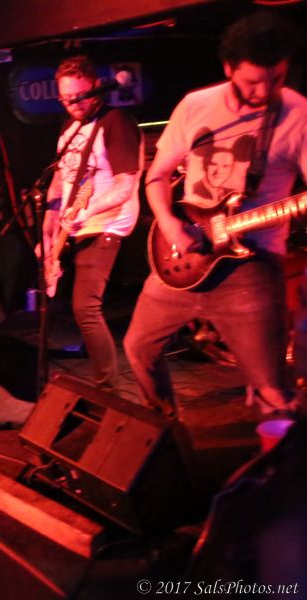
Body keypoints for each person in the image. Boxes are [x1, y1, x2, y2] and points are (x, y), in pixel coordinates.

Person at [123, 11, 306, 417]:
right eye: (252, 81)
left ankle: (282, 452)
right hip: (182, 257)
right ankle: (166, 436)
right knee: (137, 348)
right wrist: (170, 224)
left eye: (276, 79)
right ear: (229, 68)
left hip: (251, 266)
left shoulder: (298, 114)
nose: (264, 91)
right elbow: (157, 176)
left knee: (273, 391)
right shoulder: (196, 106)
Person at [42, 55, 142, 388]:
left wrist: (87, 212)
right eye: (65, 98)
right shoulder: (68, 129)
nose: (73, 104)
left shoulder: (116, 123)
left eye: (79, 96)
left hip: (106, 224)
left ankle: (107, 387)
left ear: (96, 87)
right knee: (74, 307)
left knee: (85, 307)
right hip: (74, 226)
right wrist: (49, 225)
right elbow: (61, 180)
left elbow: (125, 186)